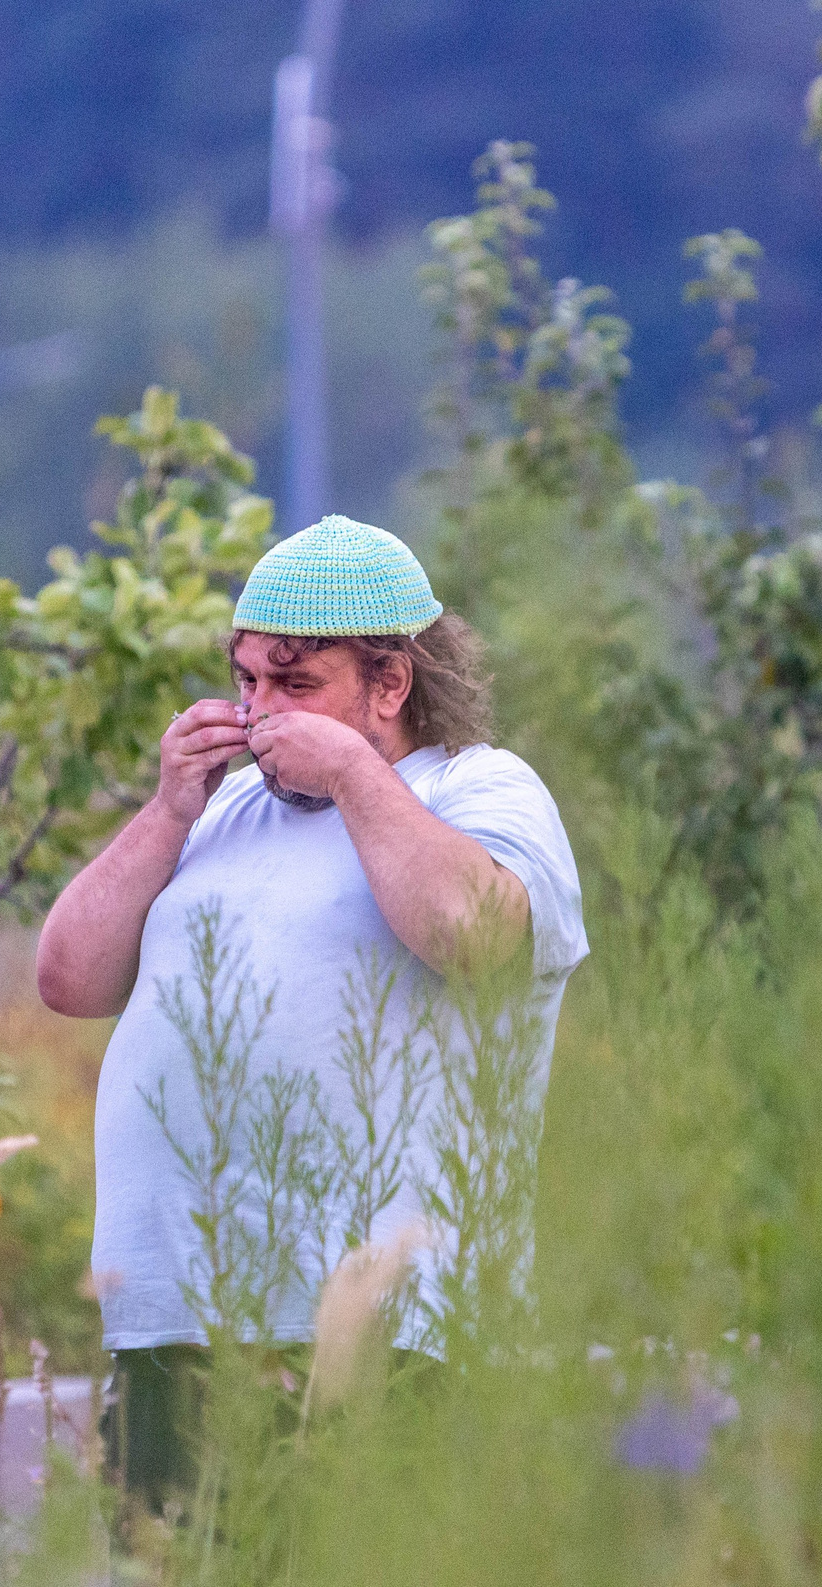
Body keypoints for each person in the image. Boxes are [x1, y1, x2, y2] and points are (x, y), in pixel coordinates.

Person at [35, 514, 589, 1516]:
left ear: (391, 683)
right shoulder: (218, 811)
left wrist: (346, 773)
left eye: (295, 684)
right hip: (176, 1322)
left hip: (383, 1331)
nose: (257, 715)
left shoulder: (481, 790)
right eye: (246, 680)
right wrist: (167, 808)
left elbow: (476, 936)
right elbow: (67, 980)